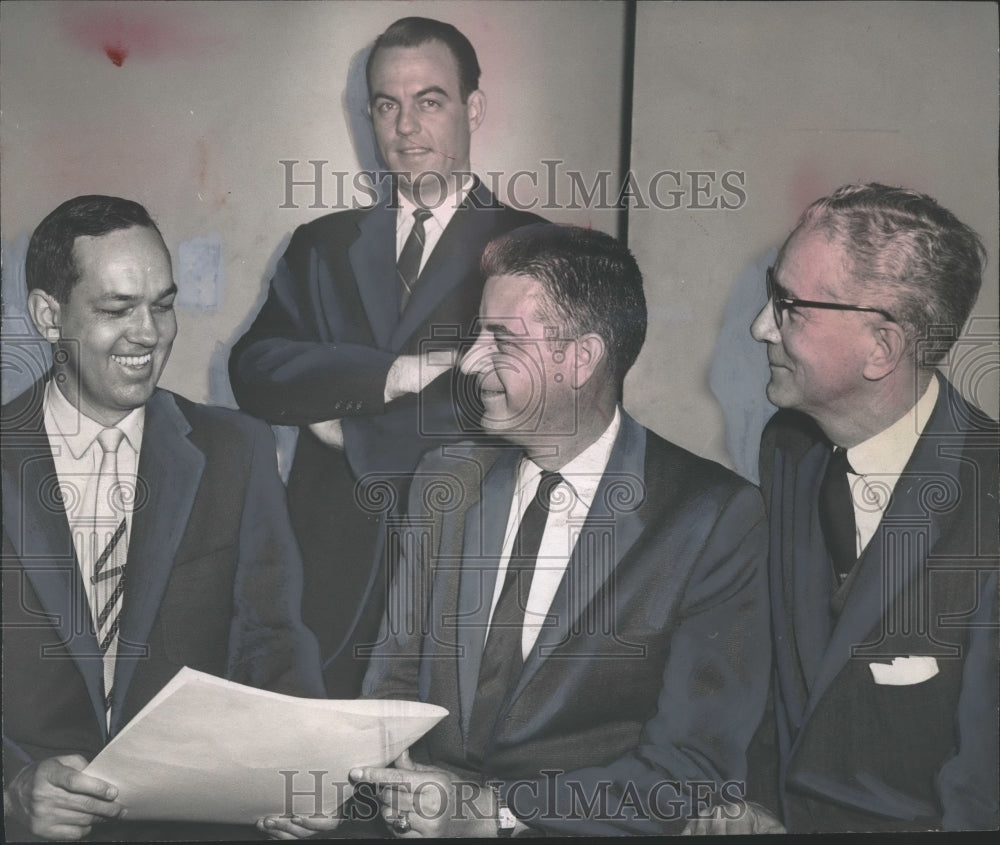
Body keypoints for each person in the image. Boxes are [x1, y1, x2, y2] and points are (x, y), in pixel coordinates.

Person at [258, 224, 770, 838]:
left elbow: (690, 770)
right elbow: (393, 686)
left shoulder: (711, 516)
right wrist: (347, 787)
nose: (471, 361)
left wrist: (491, 812)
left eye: (500, 339)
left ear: (579, 358)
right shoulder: (445, 479)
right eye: (477, 334)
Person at [229, 17, 544, 698]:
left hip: (463, 567)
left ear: (473, 109)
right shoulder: (321, 245)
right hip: (327, 574)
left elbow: (519, 400)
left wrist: (349, 427)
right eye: (386, 105)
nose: (406, 127)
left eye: (429, 101)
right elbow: (254, 370)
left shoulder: (533, 248)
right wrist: (392, 376)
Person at [2, 195, 325, 842]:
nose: (148, 334)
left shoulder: (235, 448)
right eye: (116, 309)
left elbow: (274, 642)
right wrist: (12, 789)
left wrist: (302, 771)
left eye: (162, 304)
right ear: (47, 315)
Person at [748, 183, 998, 831]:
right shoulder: (787, 447)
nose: (761, 326)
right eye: (772, 293)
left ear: (882, 347)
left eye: (789, 306)